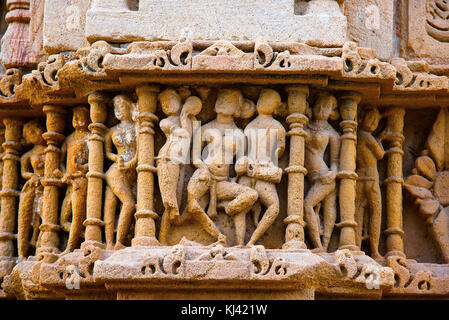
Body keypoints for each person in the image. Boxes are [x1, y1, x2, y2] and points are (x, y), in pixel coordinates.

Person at [185, 88, 258, 246]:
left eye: (228, 100)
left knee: (251, 195)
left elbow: (238, 166)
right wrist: (204, 169)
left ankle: (228, 208)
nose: (222, 101)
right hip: (204, 178)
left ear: (237, 109)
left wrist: (243, 165)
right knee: (192, 206)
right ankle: (214, 232)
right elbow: (195, 157)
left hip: (222, 183)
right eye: (220, 98)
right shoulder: (204, 129)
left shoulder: (239, 135)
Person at [238, 88, 286, 246]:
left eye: (268, 100)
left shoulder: (272, 127)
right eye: (262, 98)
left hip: (257, 171)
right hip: (258, 169)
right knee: (271, 207)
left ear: (276, 107)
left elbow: (278, 150)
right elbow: (279, 151)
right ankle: (243, 241)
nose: (262, 102)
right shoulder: (271, 127)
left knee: (270, 207)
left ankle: (249, 240)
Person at [156, 88, 202, 244]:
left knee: (176, 201)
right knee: (170, 203)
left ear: (179, 101)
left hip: (180, 163)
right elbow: (183, 134)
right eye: (164, 103)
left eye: (171, 100)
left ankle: (170, 235)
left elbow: (192, 136)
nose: (168, 105)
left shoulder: (188, 121)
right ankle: (162, 239)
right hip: (168, 159)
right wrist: (184, 117)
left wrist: (187, 115)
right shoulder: (165, 122)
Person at [304, 92, 341, 252]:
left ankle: (321, 246)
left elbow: (335, 162)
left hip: (324, 177)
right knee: (321, 208)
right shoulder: (304, 124)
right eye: (319, 103)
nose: (322, 108)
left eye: (327, 107)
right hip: (310, 176)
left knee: (309, 205)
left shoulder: (332, 133)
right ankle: (321, 246)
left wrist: (333, 173)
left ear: (332, 112)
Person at [103, 94, 138, 250]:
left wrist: (132, 163)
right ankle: (114, 243)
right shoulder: (111, 131)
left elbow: (141, 150)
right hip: (116, 170)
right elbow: (107, 153)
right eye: (115, 107)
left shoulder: (137, 128)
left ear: (130, 107)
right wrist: (116, 158)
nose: (118, 110)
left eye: (122, 106)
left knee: (117, 203)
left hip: (132, 171)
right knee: (126, 203)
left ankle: (116, 242)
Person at [355, 107, 384, 261]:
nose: (373, 123)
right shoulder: (367, 136)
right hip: (371, 178)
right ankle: (374, 250)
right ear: (361, 119)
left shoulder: (355, 136)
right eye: (371, 119)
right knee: (375, 213)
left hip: (359, 177)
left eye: (376, 121)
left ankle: (357, 246)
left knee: (357, 212)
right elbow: (380, 154)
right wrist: (381, 138)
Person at [60, 106, 90, 253]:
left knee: (77, 216)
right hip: (69, 181)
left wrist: (82, 167)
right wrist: (64, 173)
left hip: (81, 180)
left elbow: (97, 163)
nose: (77, 120)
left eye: (80, 116)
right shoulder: (69, 139)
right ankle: (81, 234)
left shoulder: (90, 137)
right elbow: (59, 161)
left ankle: (70, 247)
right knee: (63, 219)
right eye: (74, 117)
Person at [17, 120, 46, 260]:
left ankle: (40, 247)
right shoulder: (27, 156)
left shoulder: (53, 150)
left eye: (38, 129)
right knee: (27, 219)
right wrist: (33, 176)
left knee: (43, 218)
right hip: (32, 187)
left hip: (47, 187)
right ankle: (22, 252)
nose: (36, 134)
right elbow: (24, 173)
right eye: (31, 133)